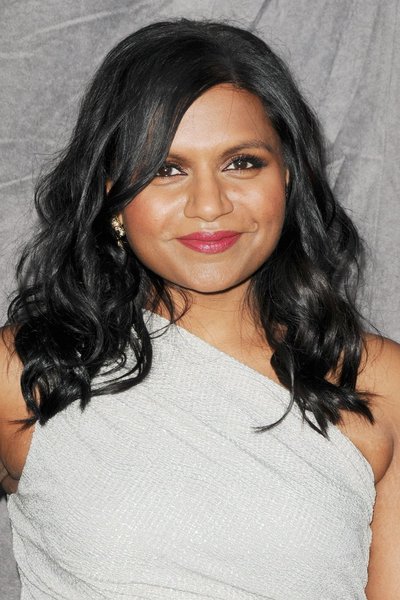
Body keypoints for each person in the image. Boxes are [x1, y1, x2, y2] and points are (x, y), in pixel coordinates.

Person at [0, 18, 399, 600]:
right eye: (167, 169)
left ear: (288, 177)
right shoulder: (25, 370)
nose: (209, 205)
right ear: (112, 195)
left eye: (242, 163)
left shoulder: (380, 383)